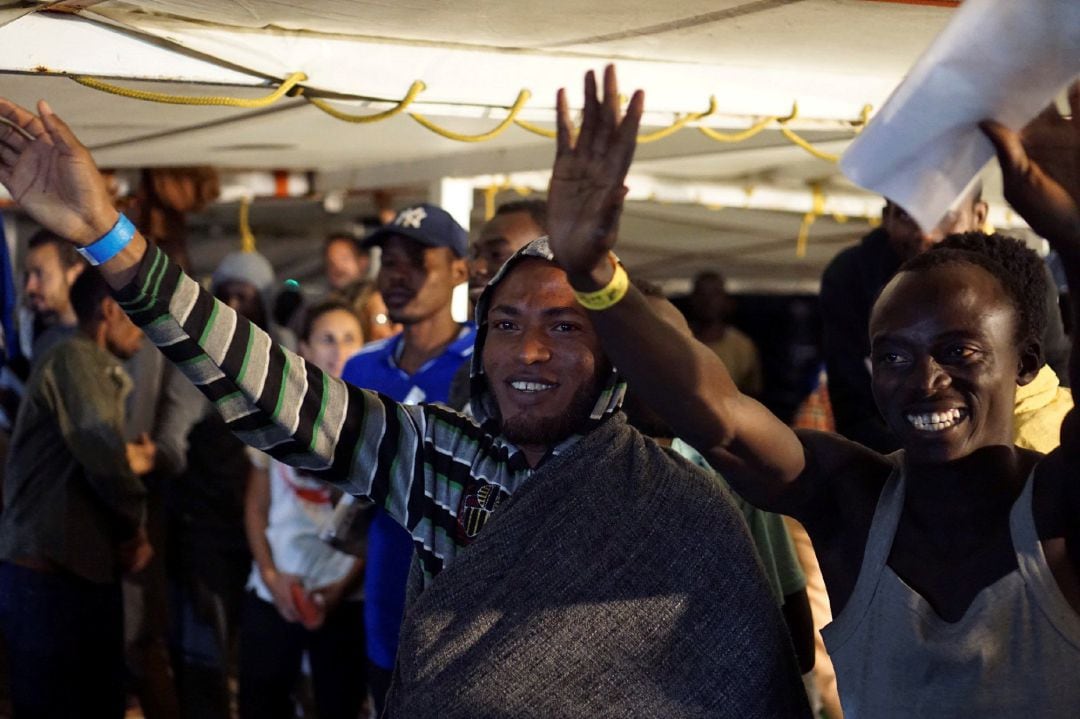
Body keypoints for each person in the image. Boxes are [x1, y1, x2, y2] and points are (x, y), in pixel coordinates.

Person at [0, 70, 811, 717]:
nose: (530, 348)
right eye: (507, 323)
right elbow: (265, 383)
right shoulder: (437, 452)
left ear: (616, 354)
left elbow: (753, 669)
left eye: (567, 328)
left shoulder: (683, 497)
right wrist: (110, 235)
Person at [539, 77, 1080, 715]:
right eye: (894, 357)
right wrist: (594, 274)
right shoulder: (852, 504)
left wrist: (1075, 239)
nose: (925, 379)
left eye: (959, 352)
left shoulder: (1060, 506)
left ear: (1026, 364)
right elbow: (719, 417)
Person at [0, 268, 152, 718]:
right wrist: (134, 532)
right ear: (109, 310)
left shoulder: (88, 363)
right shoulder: (75, 358)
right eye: (137, 315)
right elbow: (102, 455)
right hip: (49, 588)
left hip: (72, 581)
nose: (146, 330)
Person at [340, 202, 473, 714]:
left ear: (460, 270)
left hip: (467, 597)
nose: (398, 275)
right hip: (387, 586)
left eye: (417, 262)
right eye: (389, 262)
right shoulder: (362, 367)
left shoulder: (490, 357)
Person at [820, 187, 1071, 453]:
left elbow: (1056, 364)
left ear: (979, 214)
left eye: (959, 351)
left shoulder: (1020, 278)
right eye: (893, 356)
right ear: (886, 218)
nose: (925, 233)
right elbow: (852, 408)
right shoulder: (852, 278)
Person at [239, 299, 367, 719]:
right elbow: (257, 506)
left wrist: (343, 587)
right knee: (262, 702)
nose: (339, 350)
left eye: (351, 339)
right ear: (306, 349)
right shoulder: (275, 413)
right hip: (274, 589)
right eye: (327, 339)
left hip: (345, 597)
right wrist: (271, 576)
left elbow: (381, 526)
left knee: (339, 704)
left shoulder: (380, 421)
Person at [451, 199, 548, 410]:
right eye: (475, 254)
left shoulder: (590, 365)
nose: (476, 267)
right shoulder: (470, 372)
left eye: (497, 254)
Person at [687, 270, 763, 396]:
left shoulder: (742, 345)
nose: (708, 301)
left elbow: (752, 392)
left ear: (726, 300)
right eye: (702, 294)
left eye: (715, 294)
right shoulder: (677, 339)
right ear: (693, 299)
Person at [20, 229, 85, 361]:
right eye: (28, 276)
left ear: (74, 273)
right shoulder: (43, 341)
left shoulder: (102, 341)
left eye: (39, 274)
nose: (29, 287)